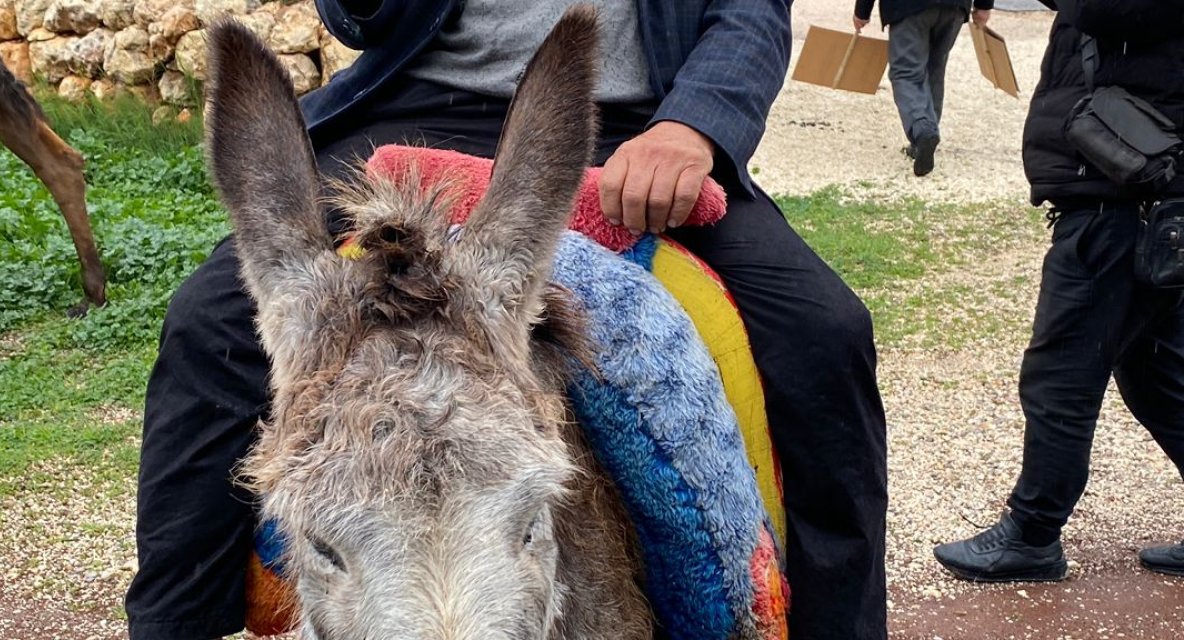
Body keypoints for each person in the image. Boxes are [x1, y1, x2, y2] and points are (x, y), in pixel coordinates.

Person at [124, 2, 890, 638]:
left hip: (640, 127)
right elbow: (357, 17)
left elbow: (746, 10)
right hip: (416, 110)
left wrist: (695, 125)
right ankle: (172, 622)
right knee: (208, 321)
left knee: (824, 331)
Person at [934, 0, 1184, 583]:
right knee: (1156, 374)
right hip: (1134, 189)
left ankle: (1032, 533)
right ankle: (1033, 529)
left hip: (1123, 197)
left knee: (1062, 373)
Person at [852, 0, 993, 176]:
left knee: (905, 72)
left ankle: (922, 128)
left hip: (908, 7)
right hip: (954, 7)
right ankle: (925, 137)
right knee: (935, 68)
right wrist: (984, 5)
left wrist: (862, 11)